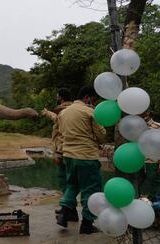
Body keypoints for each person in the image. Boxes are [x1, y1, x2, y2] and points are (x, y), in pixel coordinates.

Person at [55, 86, 106, 234]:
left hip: (69, 156)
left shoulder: (63, 112)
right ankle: (87, 224)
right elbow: (101, 134)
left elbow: (60, 133)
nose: (94, 103)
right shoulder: (90, 112)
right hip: (86, 157)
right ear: (87, 97)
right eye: (94, 99)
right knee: (91, 189)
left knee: (72, 185)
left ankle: (64, 213)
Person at [41, 88, 78, 221]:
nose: (56, 97)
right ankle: (71, 211)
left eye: (57, 96)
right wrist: (47, 113)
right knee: (70, 182)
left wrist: (59, 153)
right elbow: (56, 119)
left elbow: (64, 133)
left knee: (66, 182)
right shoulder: (72, 109)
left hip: (64, 153)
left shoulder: (64, 111)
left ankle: (67, 210)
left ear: (61, 97)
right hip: (72, 152)